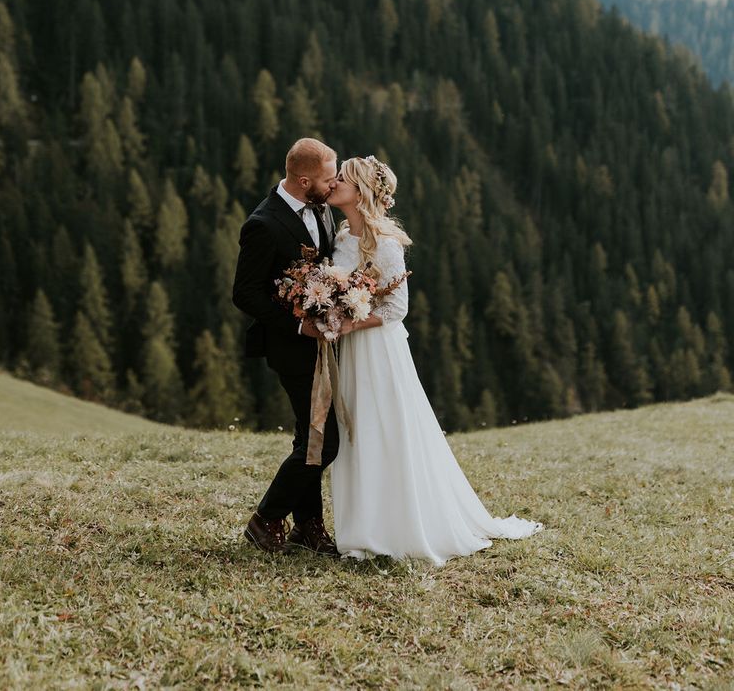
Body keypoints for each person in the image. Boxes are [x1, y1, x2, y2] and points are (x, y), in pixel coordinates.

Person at [327, 156, 543, 565]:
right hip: (351, 352)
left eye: (343, 177)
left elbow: (397, 308)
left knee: (384, 430)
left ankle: (397, 529)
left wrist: (353, 323)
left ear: (360, 192)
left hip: (377, 351)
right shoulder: (340, 239)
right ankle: (361, 531)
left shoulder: (385, 243)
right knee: (355, 431)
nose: (334, 181)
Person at [232, 137, 340, 555]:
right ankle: (266, 518)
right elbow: (245, 293)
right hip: (291, 348)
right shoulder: (264, 224)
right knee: (323, 442)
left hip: (324, 346)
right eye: (329, 179)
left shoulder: (323, 208)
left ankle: (308, 525)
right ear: (304, 179)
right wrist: (299, 326)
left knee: (308, 438)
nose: (334, 185)